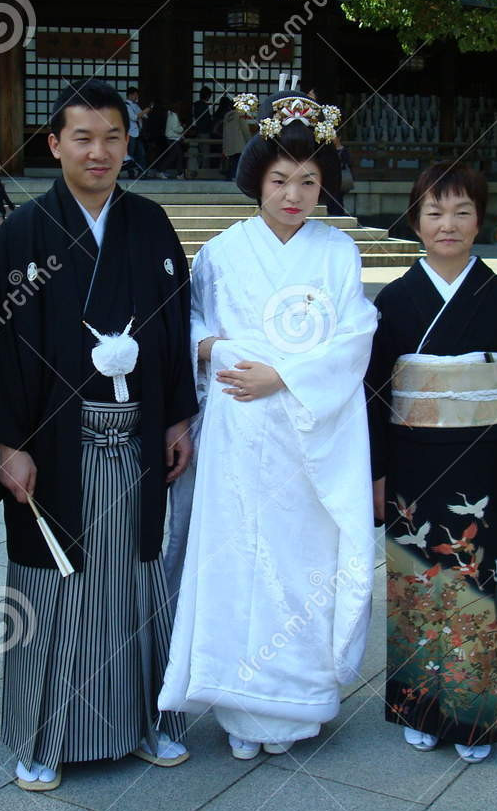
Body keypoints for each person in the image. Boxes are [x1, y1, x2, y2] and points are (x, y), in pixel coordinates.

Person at [0, 78, 196, 792]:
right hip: (55, 446)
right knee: (53, 584)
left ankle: (149, 720)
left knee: (138, 578)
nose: (100, 151)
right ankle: (44, 734)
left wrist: (178, 415)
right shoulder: (22, 235)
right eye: (83, 137)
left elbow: (175, 329)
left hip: (139, 438)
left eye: (113, 137)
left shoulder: (151, 226)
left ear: (129, 143)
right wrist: (5, 444)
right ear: (55, 143)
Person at [159, 88, 376, 758]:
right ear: (257, 179)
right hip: (237, 433)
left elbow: (356, 334)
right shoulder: (224, 251)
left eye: (308, 180)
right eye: (280, 178)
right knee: (237, 562)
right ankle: (237, 708)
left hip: (310, 438)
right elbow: (189, 322)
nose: (293, 193)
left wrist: (282, 373)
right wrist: (218, 351)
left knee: (300, 564)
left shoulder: (337, 254)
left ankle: (295, 704)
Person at [366, 162, 497, 763]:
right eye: (434, 212)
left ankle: (473, 718)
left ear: (483, 220)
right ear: (415, 221)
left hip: (491, 465)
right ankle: (421, 708)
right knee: (417, 584)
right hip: (413, 465)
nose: (448, 225)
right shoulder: (394, 301)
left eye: (462, 212)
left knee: (480, 587)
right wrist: (375, 473)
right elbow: (373, 394)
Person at [125, 86, 146, 173]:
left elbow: (144, 116)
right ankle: (131, 172)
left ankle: (142, 172)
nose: (137, 97)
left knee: (142, 153)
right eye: (135, 95)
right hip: (131, 133)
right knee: (131, 154)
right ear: (131, 95)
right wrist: (145, 111)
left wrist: (143, 112)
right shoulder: (126, 105)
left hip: (138, 132)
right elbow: (134, 117)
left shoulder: (136, 105)